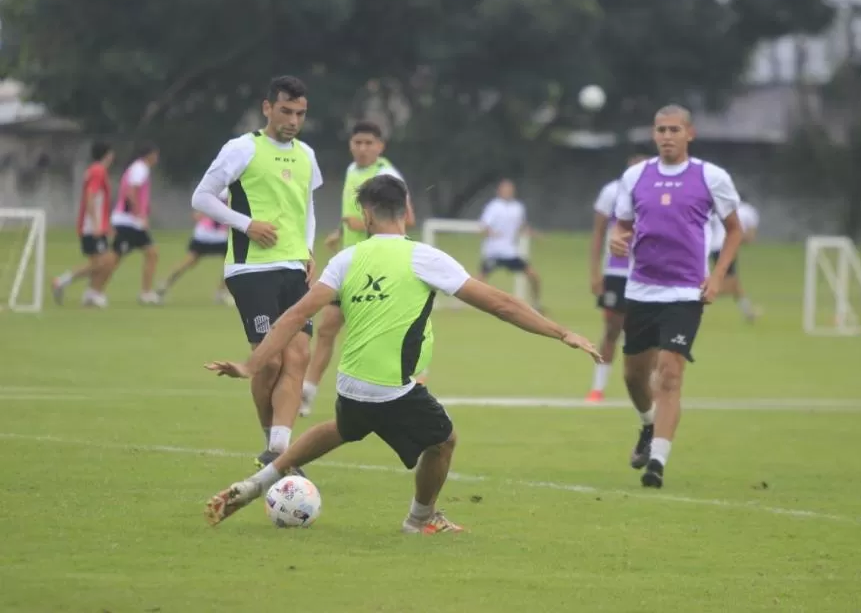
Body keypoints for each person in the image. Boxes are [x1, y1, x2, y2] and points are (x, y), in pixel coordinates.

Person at [202, 174, 602, 534]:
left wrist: (251, 364)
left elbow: (294, 316)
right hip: (389, 389)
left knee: (343, 428)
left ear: (366, 215)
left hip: (350, 384)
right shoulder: (424, 257)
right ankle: (420, 520)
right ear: (406, 210)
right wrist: (562, 332)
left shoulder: (346, 259)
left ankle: (255, 484)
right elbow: (501, 304)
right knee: (443, 441)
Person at [190, 75, 324, 475]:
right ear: (267, 108)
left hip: (293, 267)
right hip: (251, 269)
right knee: (270, 361)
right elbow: (201, 197)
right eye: (286, 111)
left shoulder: (307, 155)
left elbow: (307, 208)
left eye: (300, 113)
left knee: (298, 356)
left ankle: (280, 452)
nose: (293, 121)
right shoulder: (242, 148)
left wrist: (308, 248)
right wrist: (246, 224)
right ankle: (272, 441)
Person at [610, 104, 743, 488]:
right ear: (654, 134)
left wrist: (717, 276)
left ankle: (657, 462)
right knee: (634, 376)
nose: (667, 136)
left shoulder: (711, 177)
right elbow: (622, 226)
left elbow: (734, 230)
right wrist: (618, 240)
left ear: (690, 134)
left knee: (669, 373)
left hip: (686, 292)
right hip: (641, 289)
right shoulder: (636, 176)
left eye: (674, 129)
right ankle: (648, 425)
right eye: (661, 130)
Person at [300, 121, 408, 418]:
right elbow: (353, 212)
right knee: (326, 328)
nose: (362, 149)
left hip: (377, 268)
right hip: (350, 264)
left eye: (368, 143)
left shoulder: (388, 176)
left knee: (373, 336)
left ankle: (398, 391)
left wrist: (363, 225)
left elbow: (407, 219)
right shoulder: (351, 170)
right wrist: (340, 230)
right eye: (357, 143)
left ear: (380, 146)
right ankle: (307, 391)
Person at [586, 154, 649, 403]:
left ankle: (650, 389)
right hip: (616, 272)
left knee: (648, 334)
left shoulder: (656, 192)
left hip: (648, 274)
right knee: (612, 329)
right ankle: (597, 388)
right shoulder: (611, 192)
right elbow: (598, 233)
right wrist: (594, 273)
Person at [51, 141, 115, 308]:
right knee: (102, 262)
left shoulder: (95, 170)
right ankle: (63, 282)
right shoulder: (98, 171)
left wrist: (106, 224)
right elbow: (90, 196)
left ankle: (91, 294)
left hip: (94, 225)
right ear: (108, 154)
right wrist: (96, 224)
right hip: (91, 226)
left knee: (103, 262)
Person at [103, 143, 162, 305]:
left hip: (129, 221)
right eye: (155, 155)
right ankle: (145, 293)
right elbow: (131, 192)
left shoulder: (138, 168)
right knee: (116, 258)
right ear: (149, 155)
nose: (157, 158)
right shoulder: (140, 168)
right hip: (129, 221)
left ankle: (95, 290)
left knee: (145, 254)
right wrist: (140, 214)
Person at [155, 192, 233, 305]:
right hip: (210, 235)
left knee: (229, 263)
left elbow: (198, 214)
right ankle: (221, 292)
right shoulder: (224, 191)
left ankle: (164, 284)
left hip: (211, 235)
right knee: (229, 262)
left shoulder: (220, 190)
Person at [478, 179, 543, 311]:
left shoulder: (518, 208)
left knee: (533, 275)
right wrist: (491, 233)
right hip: (494, 251)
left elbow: (522, 226)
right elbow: (484, 226)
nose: (507, 192)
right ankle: (460, 302)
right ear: (499, 191)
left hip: (510, 252)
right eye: (504, 189)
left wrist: (534, 234)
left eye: (509, 189)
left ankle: (536, 304)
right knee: (479, 280)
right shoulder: (493, 206)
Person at [707, 198, 761, 322]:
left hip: (715, 247)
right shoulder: (748, 211)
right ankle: (697, 297)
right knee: (730, 284)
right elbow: (749, 237)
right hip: (726, 247)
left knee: (734, 283)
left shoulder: (723, 208)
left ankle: (749, 313)